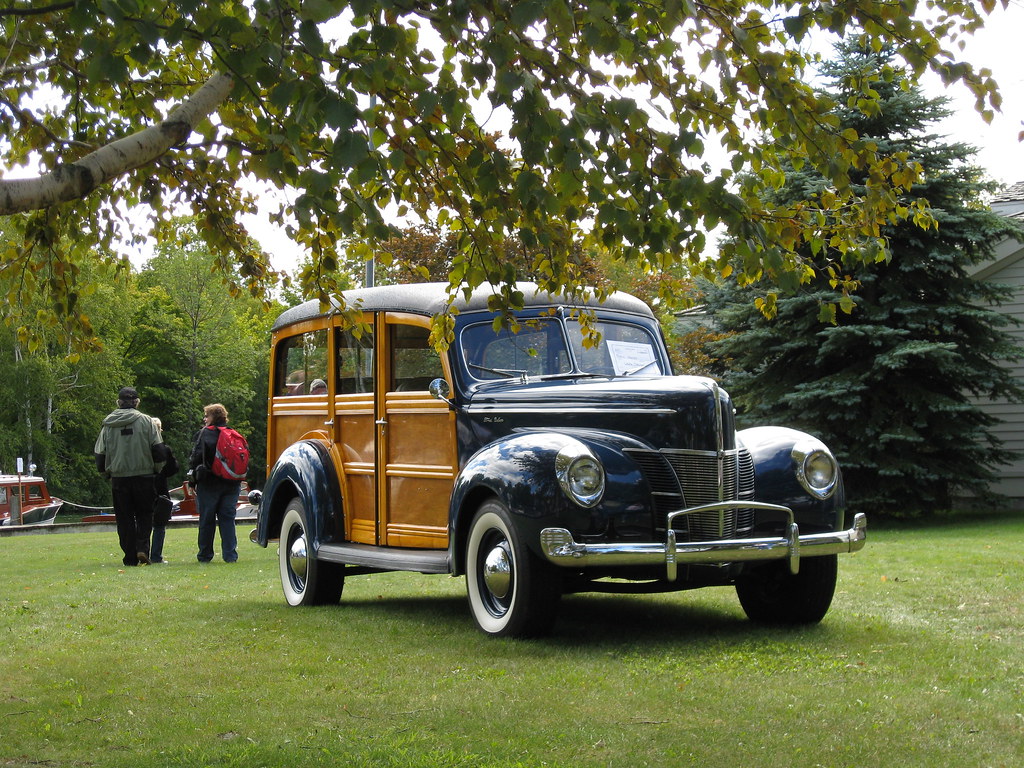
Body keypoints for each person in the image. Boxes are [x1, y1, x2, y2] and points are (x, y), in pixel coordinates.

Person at [94, 386, 166, 566]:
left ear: (118, 402)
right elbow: (159, 450)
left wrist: (105, 473)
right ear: (137, 402)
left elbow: (100, 453)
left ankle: (129, 556)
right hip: (144, 475)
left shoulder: (108, 425)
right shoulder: (148, 422)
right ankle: (142, 547)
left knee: (124, 518)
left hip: (119, 478)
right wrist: (156, 469)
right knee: (144, 515)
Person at [189, 403, 243, 563]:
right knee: (227, 518)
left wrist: (192, 481)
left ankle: (205, 555)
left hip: (209, 482)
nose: (204, 419)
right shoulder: (233, 434)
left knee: (207, 518)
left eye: (206, 416)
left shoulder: (205, 433)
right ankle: (230, 555)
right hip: (232, 482)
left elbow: (196, 457)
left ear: (213, 417)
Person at [150, 418, 179, 564]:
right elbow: (172, 470)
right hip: (160, 489)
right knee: (159, 525)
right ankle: (155, 556)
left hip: (142, 487)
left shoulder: (140, 449)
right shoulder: (164, 450)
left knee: (142, 522)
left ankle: (140, 550)